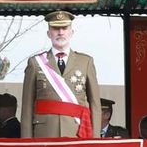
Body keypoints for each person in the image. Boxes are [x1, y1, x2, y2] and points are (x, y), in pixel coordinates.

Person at [20, 10, 100, 138]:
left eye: (64, 28)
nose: (60, 32)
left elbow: (95, 105)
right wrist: (26, 142)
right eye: (56, 28)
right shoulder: (35, 63)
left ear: (71, 32)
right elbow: (27, 107)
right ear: (48, 33)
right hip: (44, 134)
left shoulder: (86, 62)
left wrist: (95, 140)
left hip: (76, 133)